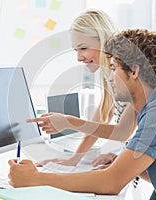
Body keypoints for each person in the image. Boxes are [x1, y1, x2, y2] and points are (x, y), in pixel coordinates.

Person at [8, 29, 156, 199]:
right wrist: (122, 163)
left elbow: (111, 183)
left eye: (114, 68)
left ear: (134, 72)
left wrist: (37, 179)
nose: (109, 77)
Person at [36, 9, 137, 167]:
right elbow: (98, 122)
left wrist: (69, 122)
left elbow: (123, 131)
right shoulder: (109, 73)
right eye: (76, 50)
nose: (78, 57)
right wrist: (73, 160)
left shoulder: (127, 71)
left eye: (83, 48)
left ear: (103, 41)